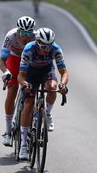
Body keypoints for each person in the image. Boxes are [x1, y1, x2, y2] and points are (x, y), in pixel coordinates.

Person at [17, 27, 69, 159]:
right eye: (43, 47)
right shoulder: (29, 49)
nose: (47, 50)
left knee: (52, 87)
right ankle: (23, 145)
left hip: (47, 70)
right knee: (28, 103)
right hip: (30, 72)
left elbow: (64, 72)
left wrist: (63, 84)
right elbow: (21, 76)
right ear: (37, 42)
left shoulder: (56, 49)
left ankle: (47, 113)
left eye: (49, 47)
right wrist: (25, 85)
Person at [0, 16, 36, 146]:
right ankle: (8, 131)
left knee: (32, 91)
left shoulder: (36, 38)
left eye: (29, 33)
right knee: (12, 89)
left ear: (33, 32)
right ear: (18, 31)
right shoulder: (11, 36)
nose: (26, 36)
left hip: (30, 61)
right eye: (23, 33)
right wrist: (6, 72)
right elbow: (2, 61)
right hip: (14, 60)